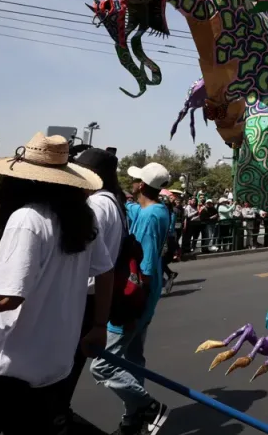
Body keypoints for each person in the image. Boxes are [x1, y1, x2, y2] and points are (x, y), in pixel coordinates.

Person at [0, 132, 114, 435]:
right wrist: (100, 326)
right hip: (53, 368)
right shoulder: (82, 218)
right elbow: (106, 272)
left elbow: (5, 299)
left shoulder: (27, 219)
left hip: (4, 370)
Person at [90, 161, 172, 435]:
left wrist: (133, 304)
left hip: (136, 292)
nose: (132, 183)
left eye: (135, 180)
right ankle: (132, 420)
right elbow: (128, 210)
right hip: (142, 290)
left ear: (142, 186)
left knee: (102, 365)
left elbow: (146, 267)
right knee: (134, 359)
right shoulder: (149, 210)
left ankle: (148, 406)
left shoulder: (151, 217)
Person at [55, 147, 127, 432]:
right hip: (93, 296)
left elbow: (84, 255)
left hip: (83, 296)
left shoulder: (97, 205)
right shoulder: (112, 202)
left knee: (61, 377)